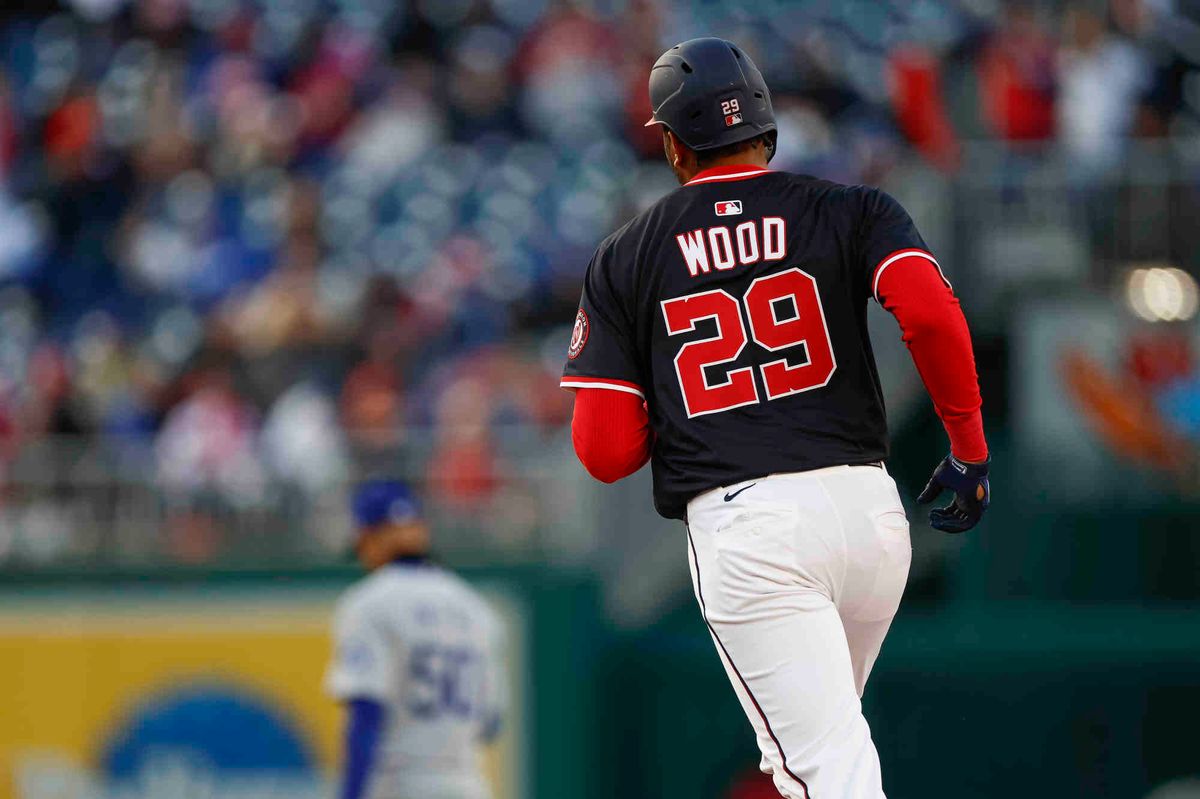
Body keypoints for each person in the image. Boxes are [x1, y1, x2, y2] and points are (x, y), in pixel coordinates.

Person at [561, 38, 991, 799]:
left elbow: (603, 451)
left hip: (750, 525)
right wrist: (966, 446)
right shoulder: (851, 206)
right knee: (808, 755)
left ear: (669, 142)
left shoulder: (628, 254)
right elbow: (929, 312)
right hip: (867, 514)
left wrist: (692, 403)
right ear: (767, 125)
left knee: (827, 771)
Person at [325, 479, 506, 799]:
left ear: (369, 537)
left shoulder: (368, 604)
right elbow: (491, 723)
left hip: (401, 784)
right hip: (467, 784)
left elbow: (367, 714)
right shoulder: (477, 609)